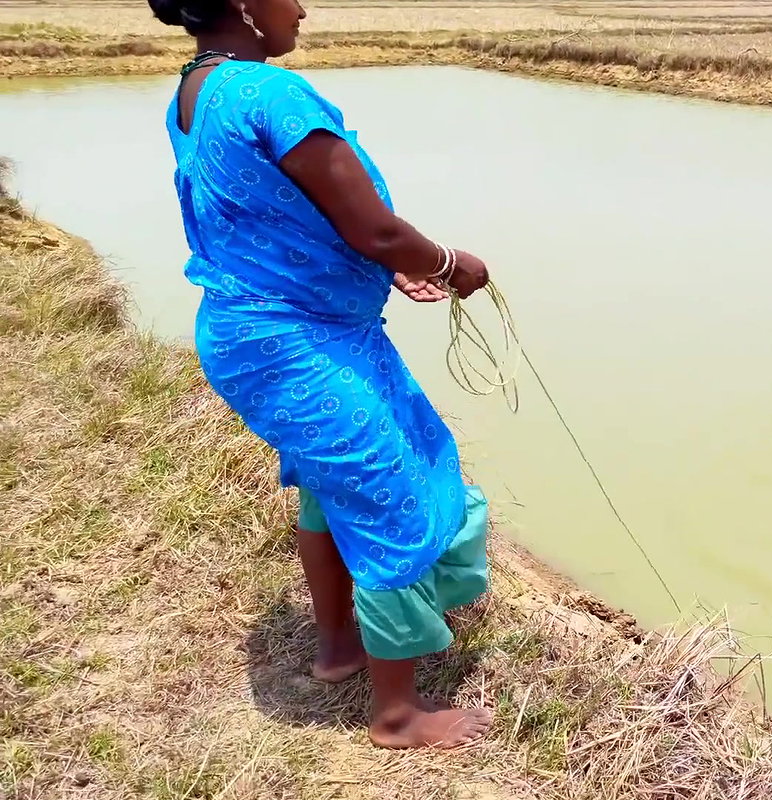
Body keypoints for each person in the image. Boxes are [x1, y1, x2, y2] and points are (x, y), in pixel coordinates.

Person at [149, 0, 494, 748]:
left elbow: (280, 220)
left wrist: (382, 270)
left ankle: (339, 648)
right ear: (244, 2)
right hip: (294, 340)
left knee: (325, 485)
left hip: (274, 331)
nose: (301, 9)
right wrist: (447, 264)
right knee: (389, 493)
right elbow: (373, 225)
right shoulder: (272, 92)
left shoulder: (195, 89)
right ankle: (398, 714)